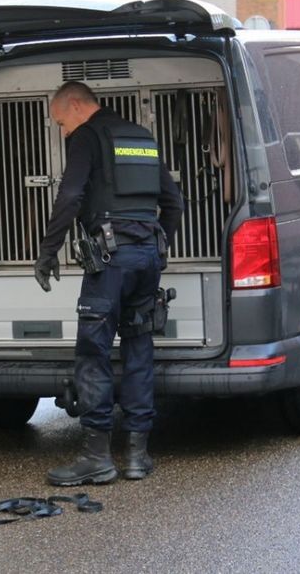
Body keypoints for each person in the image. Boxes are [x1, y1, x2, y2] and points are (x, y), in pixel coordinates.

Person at [34, 81, 183, 486]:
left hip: (111, 261)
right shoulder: (142, 138)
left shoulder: (87, 137)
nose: (63, 132)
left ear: (78, 106)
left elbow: (69, 196)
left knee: (93, 352)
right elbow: (174, 202)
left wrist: (48, 252)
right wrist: (157, 242)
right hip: (147, 258)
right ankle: (137, 456)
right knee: (138, 349)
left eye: (62, 122)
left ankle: (96, 457)